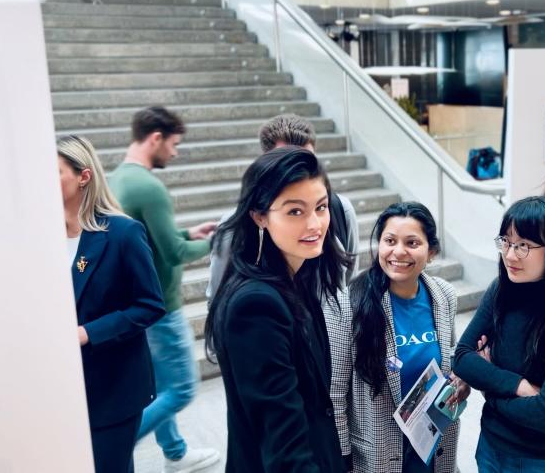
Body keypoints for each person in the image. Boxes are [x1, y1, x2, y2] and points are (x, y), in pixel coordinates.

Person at [205, 148, 350, 472]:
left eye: (321, 207)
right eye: (295, 212)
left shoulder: (298, 278)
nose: (315, 224)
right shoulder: (256, 305)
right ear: (259, 216)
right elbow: (283, 445)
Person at [452, 196, 545, 473]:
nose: (510, 255)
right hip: (492, 447)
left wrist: (487, 384)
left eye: (523, 246)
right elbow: (461, 358)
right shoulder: (502, 290)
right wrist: (520, 386)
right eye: (506, 242)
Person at [108, 107, 220, 472]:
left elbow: (156, 241)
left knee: (157, 388)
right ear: (155, 138)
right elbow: (172, 254)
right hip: (161, 305)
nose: (175, 152)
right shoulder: (149, 187)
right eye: (173, 144)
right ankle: (113, 448)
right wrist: (219, 243)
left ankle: (174, 452)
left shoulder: (119, 179)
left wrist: (190, 233)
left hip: (135, 303)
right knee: (184, 387)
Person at [326, 201, 469, 473]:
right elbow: (334, 396)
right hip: (377, 457)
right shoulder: (347, 305)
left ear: (432, 252)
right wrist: (342, 460)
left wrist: (461, 382)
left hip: (433, 450)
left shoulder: (444, 296)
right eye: (389, 240)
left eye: (412, 243)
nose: (398, 252)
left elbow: (448, 358)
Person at [58, 135, 166, 472]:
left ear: (83, 177)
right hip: (63, 389)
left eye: (55, 172)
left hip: (114, 390)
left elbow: (150, 304)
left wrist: (88, 332)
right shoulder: (43, 237)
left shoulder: (122, 233)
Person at [207, 114, 359, 299]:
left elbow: (349, 286)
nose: (298, 172)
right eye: (287, 162)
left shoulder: (340, 210)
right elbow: (218, 296)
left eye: (306, 160)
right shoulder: (236, 226)